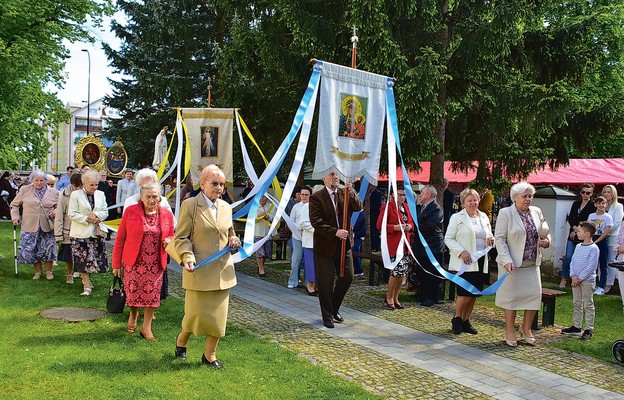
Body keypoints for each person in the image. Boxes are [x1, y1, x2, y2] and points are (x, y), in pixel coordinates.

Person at [167, 164, 241, 369]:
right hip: (198, 269)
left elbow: (230, 232)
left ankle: (210, 355)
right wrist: (187, 257)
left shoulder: (226, 207)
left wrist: (234, 239)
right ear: (202, 183)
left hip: (222, 272)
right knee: (194, 316)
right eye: (214, 183)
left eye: (222, 184)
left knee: (218, 318)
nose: (219, 188)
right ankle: (181, 340)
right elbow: (181, 237)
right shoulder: (190, 205)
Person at [112, 182, 175, 339]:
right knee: (132, 294)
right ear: (141, 197)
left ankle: (146, 327)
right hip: (134, 262)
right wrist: (116, 264)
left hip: (155, 262)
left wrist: (169, 240)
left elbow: (172, 234)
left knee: (152, 296)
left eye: (155, 196)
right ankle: (133, 314)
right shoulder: (131, 211)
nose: (152, 199)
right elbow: (120, 238)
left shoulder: (166, 213)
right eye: (148, 196)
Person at [495, 182, 550, 347]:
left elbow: (545, 232)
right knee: (511, 299)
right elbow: (500, 239)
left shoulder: (536, 211)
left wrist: (547, 242)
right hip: (512, 265)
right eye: (524, 196)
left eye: (530, 196)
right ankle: (510, 330)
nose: (528, 199)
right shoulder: (505, 213)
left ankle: (526, 329)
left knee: (534, 296)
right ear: (514, 197)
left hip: (532, 263)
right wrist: (507, 260)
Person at [309, 171, 363, 329]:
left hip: (344, 245)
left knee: (348, 276)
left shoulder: (344, 193)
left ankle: (334, 308)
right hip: (325, 246)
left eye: (337, 174)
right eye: (331, 174)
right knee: (325, 282)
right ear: (324, 178)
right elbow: (316, 221)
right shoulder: (317, 197)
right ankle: (327, 315)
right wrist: (334, 232)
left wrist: (351, 190)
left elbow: (358, 207)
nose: (335, 177)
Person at [444, 188, 494, 334]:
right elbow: (448, 238)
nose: (473, 203)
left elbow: (489, 233)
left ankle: (466, 320)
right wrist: (462, 251)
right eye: (469, 200)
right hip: (464, 262)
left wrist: (491, 239)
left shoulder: (483, 216)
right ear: (463, 202)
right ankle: (457, 319)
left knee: (474, 294)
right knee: (464, 293)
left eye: (475, 200)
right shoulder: (457, 218)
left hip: (480, 260)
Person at [10, 171, 59, 280]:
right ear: (32, 180)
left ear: (46, 181)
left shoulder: (54, 192)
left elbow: (59, 207)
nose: (39, 183)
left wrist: (55, 211)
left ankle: (48, 271)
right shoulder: (24, 190)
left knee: (49, 248)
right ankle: (37, 272)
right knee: (33, 248)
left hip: (47, 224)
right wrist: (15, 217)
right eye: (36, 180)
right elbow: (14, 205)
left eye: (41, 180)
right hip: (30, 223)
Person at [68, 170, 109, 296]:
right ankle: (86, 285)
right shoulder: (75, 195)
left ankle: (87, 280)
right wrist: (86, 218)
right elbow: (72, 213)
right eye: (92, 185)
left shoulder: (101, 194)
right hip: (80, 233)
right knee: (82, 260)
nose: (94, 187)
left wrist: (96, 216)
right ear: (84, 183)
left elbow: (105, 211)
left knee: (93, 260)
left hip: (95, 233)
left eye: (96, 184)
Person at [377, 184, 414, 310]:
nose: (402, 197)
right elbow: (379, 225)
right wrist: (395, 228)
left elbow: (411, 222)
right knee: (396, 272)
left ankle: (396, 297)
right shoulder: (387, 207)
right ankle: (389, 296)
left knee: (402, 273)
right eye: (399, 194)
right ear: (392, 194)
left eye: (404, 195)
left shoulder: (406, 207)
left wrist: (409, 226)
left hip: (405, 245)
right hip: (393, 245)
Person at [561, 221, 598, 341]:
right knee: (577, 302)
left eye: (580, 231)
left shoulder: (594, 249)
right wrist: (573, 276)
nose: (577, 233)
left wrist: (580, 278)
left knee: (588, 304)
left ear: (587, 233)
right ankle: (576, 326)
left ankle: (588, 329)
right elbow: (573, 262)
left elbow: (591, 266)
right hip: (576, 279)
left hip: (587, 281)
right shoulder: (578, 246)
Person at [412, 185, 445, 307]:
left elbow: (429, 226)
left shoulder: (436, 209)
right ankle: (423, 293)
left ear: (429, 195)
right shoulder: (421, 207)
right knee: (422, 271)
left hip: (433, 246)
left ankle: (431, 297)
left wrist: (413, 226)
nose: (420, 195)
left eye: (422, 192)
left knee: (432, 273)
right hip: (422, 247)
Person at [560, 183, 596, 288]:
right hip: (572, 233)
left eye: (588, 193)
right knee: (568, 256)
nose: (585, 194)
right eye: (583, 192)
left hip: (583, 235)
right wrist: (574, 228)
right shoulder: (576, 203)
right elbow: (571, 217)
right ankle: (564, 278)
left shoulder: (592, 206)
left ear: (591, 194)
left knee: (581, 258)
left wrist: (577, 230)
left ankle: (579, 279)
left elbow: (588, 222)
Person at [54, 174, 83, 284]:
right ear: (72, 184)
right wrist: (58, 233)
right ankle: (69, 274)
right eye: (76, 186)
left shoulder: (86, 194)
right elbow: (59, 215)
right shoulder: (64, 195)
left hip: (81, 228)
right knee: (69, 255)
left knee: (82, 253)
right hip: (68, 229)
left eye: (80, 186)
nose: (78, 189)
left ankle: (81, 273)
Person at [587, 196, 613, 295]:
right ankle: (593, 284)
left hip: (602, 240)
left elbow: (606, 232)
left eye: (603, 203)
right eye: (599, 203)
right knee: (593, 263)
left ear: (606, 205)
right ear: (595, 205)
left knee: (603, 264)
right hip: (592, 238)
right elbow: (588, 228)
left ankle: (602, 286)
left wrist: (596, 241)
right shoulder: (591, 216)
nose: (601, 205)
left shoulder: (608, 217)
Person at [602, 184, 623, 294]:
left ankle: (609, 284)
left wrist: (606, 232)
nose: (606, 194)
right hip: (601, 237)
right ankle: (601, 282)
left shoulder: (618, 206)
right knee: (601, 260)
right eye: (604, 192)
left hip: (612, 236)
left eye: (609, 192)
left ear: (613, 193)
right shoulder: (601, 205)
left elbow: (617, 223)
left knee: (610, 260)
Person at [299, 186, 318, 295]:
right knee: (311, 264)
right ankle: (310, 285)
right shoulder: (307, 206)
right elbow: (303, 223)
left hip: (320, 242)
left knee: (318, 265)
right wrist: (317, 230)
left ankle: (316, 285)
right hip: (310, 240)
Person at [288, 188, 306, 289]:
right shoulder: (296, 207)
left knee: (308, 260)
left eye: (306, 194)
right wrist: (299, 228)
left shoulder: (312, 206)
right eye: (301, 194)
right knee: (296, 259)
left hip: (309, 237)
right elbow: (291, 221)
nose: (303, 196)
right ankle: (293, 280)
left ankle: (308, 282)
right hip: (297, 236)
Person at [254, 195, 275, 277]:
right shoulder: (255, 206)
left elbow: (274, 217)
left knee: (266, 253)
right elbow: (251, 218)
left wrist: (268, 216)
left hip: (267, 232)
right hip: (257, 231)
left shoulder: (271, 206)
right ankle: (261, 269)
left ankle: (260, 265)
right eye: (261, 197)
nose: (262, 199)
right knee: (260, 252)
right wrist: (259, 216)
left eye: (264, 197)